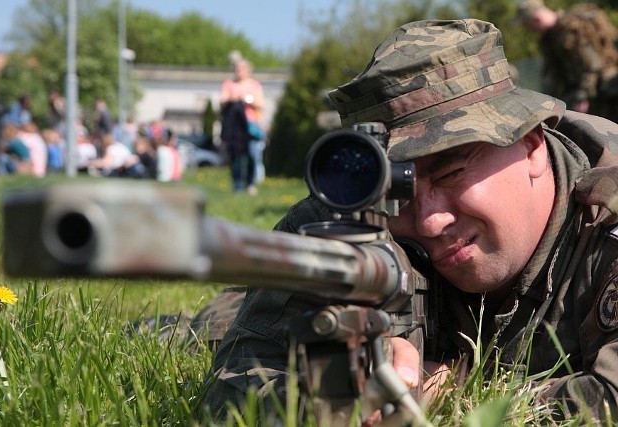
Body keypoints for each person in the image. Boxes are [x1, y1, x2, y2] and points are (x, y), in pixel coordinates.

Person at [201, 19, 618, 423]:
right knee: (207, 326)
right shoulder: (344, 218)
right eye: (396, 189)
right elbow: (236, 381)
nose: (430, 220)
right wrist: (336, 396)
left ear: (531, 145)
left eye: (451, 173)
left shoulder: (608, 214)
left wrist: (449, 391)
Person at [517, 0, 618, 122]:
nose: (529, 30)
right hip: (584, 92)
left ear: (536, 18)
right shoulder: (551, 37)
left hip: (601, 90)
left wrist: (582, 96)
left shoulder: (571, 28)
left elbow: (591, 65)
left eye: (527, 24)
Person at [220, 57, 266, 195]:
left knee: (252, 154)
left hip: (250, 125)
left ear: (248, 70)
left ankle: (250, 183)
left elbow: (260, 104)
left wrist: (247, 100)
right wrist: (231, 99)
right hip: (234, 126)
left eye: (241, 69)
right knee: (235, 156)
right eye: (236, 69)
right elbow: (222, 102)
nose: (238, 71)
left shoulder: (254, 85)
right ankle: (237, 185)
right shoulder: (229, 84)